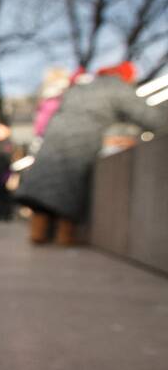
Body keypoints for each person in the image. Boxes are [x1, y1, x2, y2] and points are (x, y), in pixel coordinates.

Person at [15, 62, 165, 246]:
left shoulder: (80, 88)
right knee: (70, 189)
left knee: (47, 188)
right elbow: (150, 117)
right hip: (82, 141)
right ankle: (65, 236)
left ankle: (38, 233)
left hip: (54, 137)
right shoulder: (117, 88)